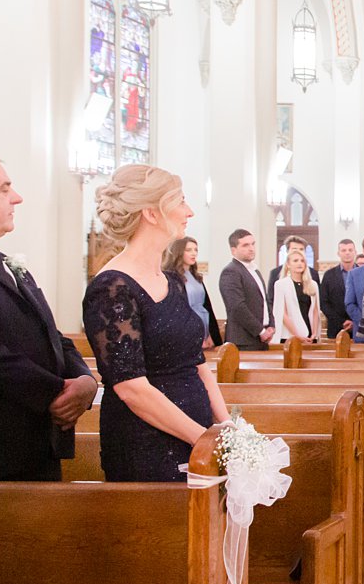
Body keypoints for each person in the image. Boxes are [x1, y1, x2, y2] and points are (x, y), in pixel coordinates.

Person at [0, 149, 97, 481]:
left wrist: (86, 381)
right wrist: (55, 392)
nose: (17, 198)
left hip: (36, 443)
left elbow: (51, 335)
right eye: (4, 188)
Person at [83, 165, 231, 481]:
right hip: (148, 445)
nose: (188, 210)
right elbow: (131, 389)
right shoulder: (111, 289)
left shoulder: (171, 281)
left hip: (199, 435)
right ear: (151, 212)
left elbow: (198, 363)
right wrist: (202, 439)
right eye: (179, 200)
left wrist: (226, 426)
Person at [219, 229, 275, 350]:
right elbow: (237, 307)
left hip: (261, 337)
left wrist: (271, 325)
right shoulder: (231, 271)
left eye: (252, 244)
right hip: (243, 340)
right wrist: (260, 331)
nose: (251, 248)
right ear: (233, 250)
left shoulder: (255, 271)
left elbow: (265, 301)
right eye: (245, 245)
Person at [165, 236, 222, 348]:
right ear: (179, 252)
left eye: (196, 250)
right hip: (186, 328)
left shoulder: (196, 276)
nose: (194, 253)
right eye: (189, 250)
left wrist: (212, 335)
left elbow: (207, 306)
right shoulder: (171, 277)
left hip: (204, 324)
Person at [272, 248, 320, 344]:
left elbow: (315, 311)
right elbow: (282, 313)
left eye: (302, 261)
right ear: (288, 265)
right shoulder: (281, 284)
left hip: (310, 334)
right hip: (290, 335)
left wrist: (314, 333)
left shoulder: (312, 284)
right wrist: (297, 335)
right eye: (295, 261)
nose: (299, 263)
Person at [319, 238, 359, 338]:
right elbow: (323, 303)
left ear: (355, 252)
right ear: (338, 253)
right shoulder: (329, 275)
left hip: (360, 327)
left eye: (350, 250)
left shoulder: (363, 273)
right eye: (344, 250)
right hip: (336, 328)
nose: (347, 253)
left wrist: (356, 320)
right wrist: (342, 321)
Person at [267, 235, 319, 305]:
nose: (298, 252)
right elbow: (271, 299)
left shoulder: (313, 273)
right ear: (288, 251)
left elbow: (316, 300)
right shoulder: (275, 273)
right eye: (294, 249)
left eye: (301, 249)